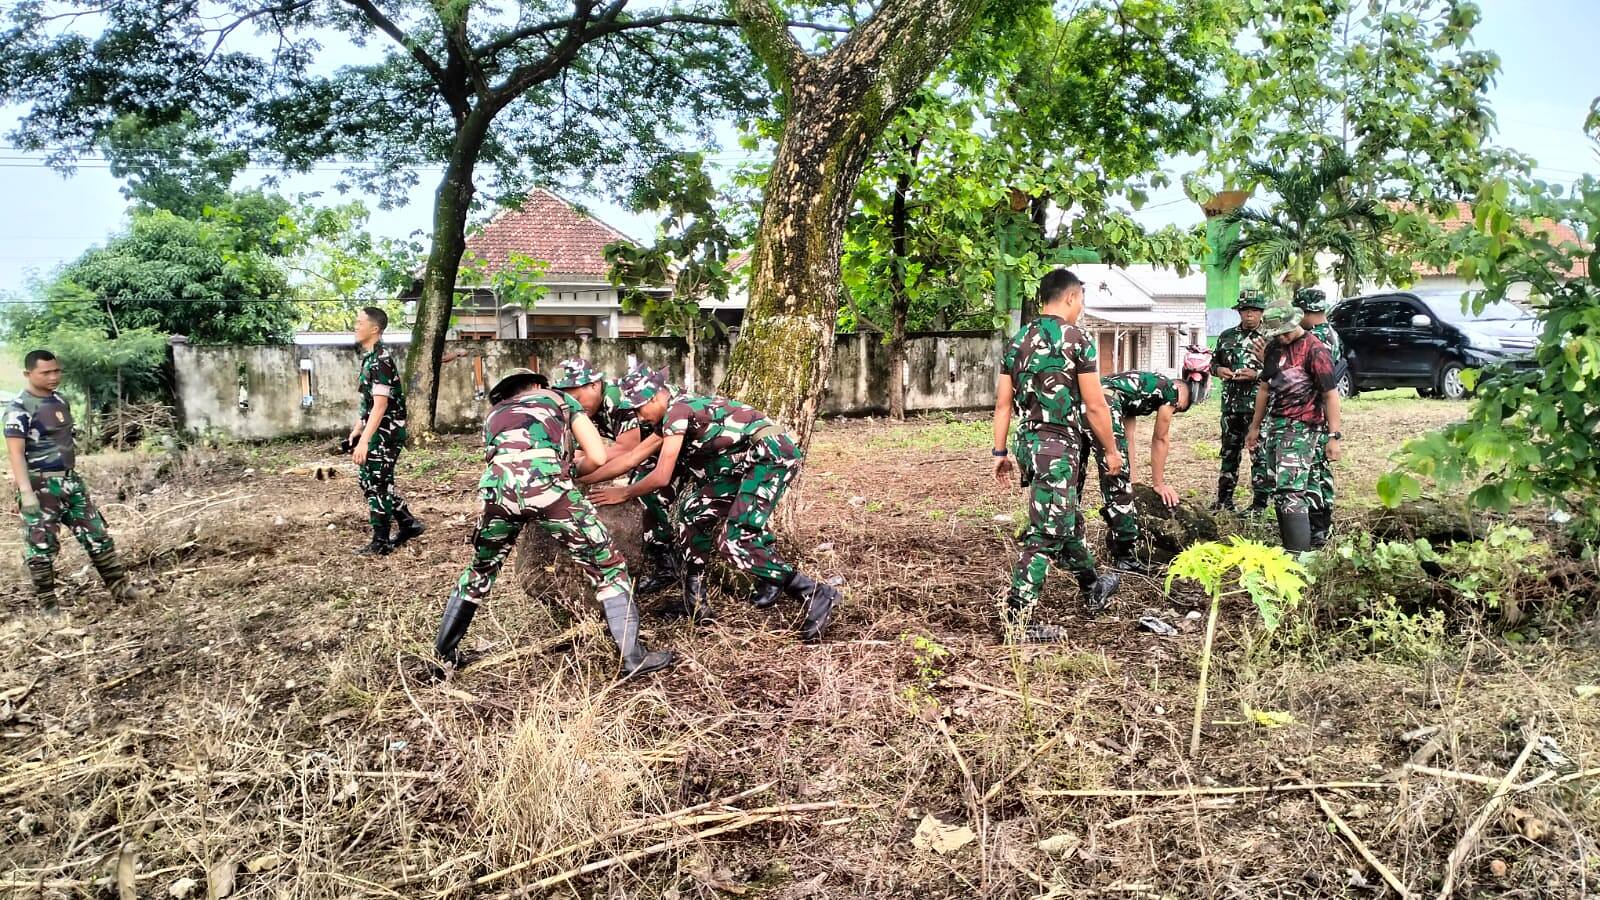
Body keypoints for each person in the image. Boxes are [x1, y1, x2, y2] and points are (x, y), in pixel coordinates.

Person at [431, 369, 674, 679]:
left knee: (479, 572)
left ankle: (443, 657)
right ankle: (632, 657)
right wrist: (568, 467)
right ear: (537, 385)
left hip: (496, 492)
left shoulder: (494, 414)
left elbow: (504, 461)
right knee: (608, 566)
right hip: (548, 490)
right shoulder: (559, 399)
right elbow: (598, 457)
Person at [590, 367, 838, 641]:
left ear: (652, 398)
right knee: (692, 514)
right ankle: (695, 603)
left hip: (771, 457)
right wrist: (578, 476)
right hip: (742, 465)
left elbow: (661, 476)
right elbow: (633, 457)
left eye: (639, 410)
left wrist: (624, 493)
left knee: (734, 541)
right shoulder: (673, 410)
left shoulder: (677, 410)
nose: (639, 417)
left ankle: (814, 591)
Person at [991, 268, 1123, 642]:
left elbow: (1003, 406)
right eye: (1081, 298)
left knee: (1065, 518)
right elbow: (1095, 405)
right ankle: (1016, 619)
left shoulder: (1017, 342)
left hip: (1028, 443)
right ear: (1070, 297)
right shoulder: (1078, 339)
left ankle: (1092, 585)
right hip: (1058, 445)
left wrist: (1000, 451)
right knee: (1047, 532)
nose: (1081, 306)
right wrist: (1112, 451)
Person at [5, 350, 145, 609]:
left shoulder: (60, 400)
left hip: (71, 482)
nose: (53, 376)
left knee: (98, 534)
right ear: (28, 374)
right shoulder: (19, 409)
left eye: (56, 371)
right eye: (45, 372)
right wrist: (26, 492)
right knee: (41, 546)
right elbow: (15, 454)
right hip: (40, 485)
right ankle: (48, 604)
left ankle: (120, 589)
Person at [551, 358, 679, 593]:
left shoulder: (617, 399)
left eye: (577, 398)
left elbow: (627, 449)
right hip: (655, 444)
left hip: (671, 441)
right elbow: (584, 451)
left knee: (645, 490)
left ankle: (667, 563)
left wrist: (585, 474)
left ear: (594, 385)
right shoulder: (586, 410)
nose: (574, 404)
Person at [1080, 353, 1212, 573]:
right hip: (1103, 405)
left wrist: (1134, 481)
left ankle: (1063, 539)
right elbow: (1160, 438)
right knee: (1116, 482)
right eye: (1179, 408)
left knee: (1080, 472)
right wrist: (1158, 484)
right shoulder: (1171, 391)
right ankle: (1126, 556)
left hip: (1085, 401)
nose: (1176, 410)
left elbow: (1127, 436)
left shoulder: (1139, 389)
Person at [1245, 307, 1343, 551]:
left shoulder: (1315, 349)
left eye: (1284, 332)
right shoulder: (1274, 348)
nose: (1281, 337)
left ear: (1295, 323)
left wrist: (1334, 437)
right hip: (1276, 424)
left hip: (1304, 426)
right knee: (1281, 485)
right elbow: (1265, 389)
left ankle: (1296, 553)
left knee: (1290, 489)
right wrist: (1255, 427)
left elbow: (1330, 395)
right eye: (1276, 333)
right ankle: (1304, 543)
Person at [347, 307, 424, 555]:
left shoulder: (382, 361)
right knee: (369, 481)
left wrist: (365, 441)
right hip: (376, 430)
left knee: (378, 484)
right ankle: (408, 523)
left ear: (375, 329)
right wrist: (358, 429)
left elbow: (380, 407)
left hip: (386, 432)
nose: (355, 327)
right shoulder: (369, 359)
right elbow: (369, 403)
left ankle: (380, 542)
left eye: (360, 323)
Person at [1211, 291, 1272, 512]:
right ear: (1239, 312)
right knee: (1229, 453)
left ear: (1262, 312)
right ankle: (1224, 501)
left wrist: (1256, 375)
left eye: (1254, 311)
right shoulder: (1226, 336)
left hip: (1257, 407)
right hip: (1231, 406)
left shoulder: (1271, 338)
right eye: (1246, 310)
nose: (1249, 315)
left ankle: (1260, 504)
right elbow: (1213, 363)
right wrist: (1220, 370)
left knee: (1259, 455)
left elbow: (1281, 370)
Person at [1293, 288, 1342, 546]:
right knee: (1321, 469)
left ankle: (1317, 528)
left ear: (1303, 311)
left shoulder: (1312, 340)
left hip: (1314, 412)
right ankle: (1324, 523)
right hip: (1324, 412)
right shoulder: (1333, 334)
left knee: (1313, 469)